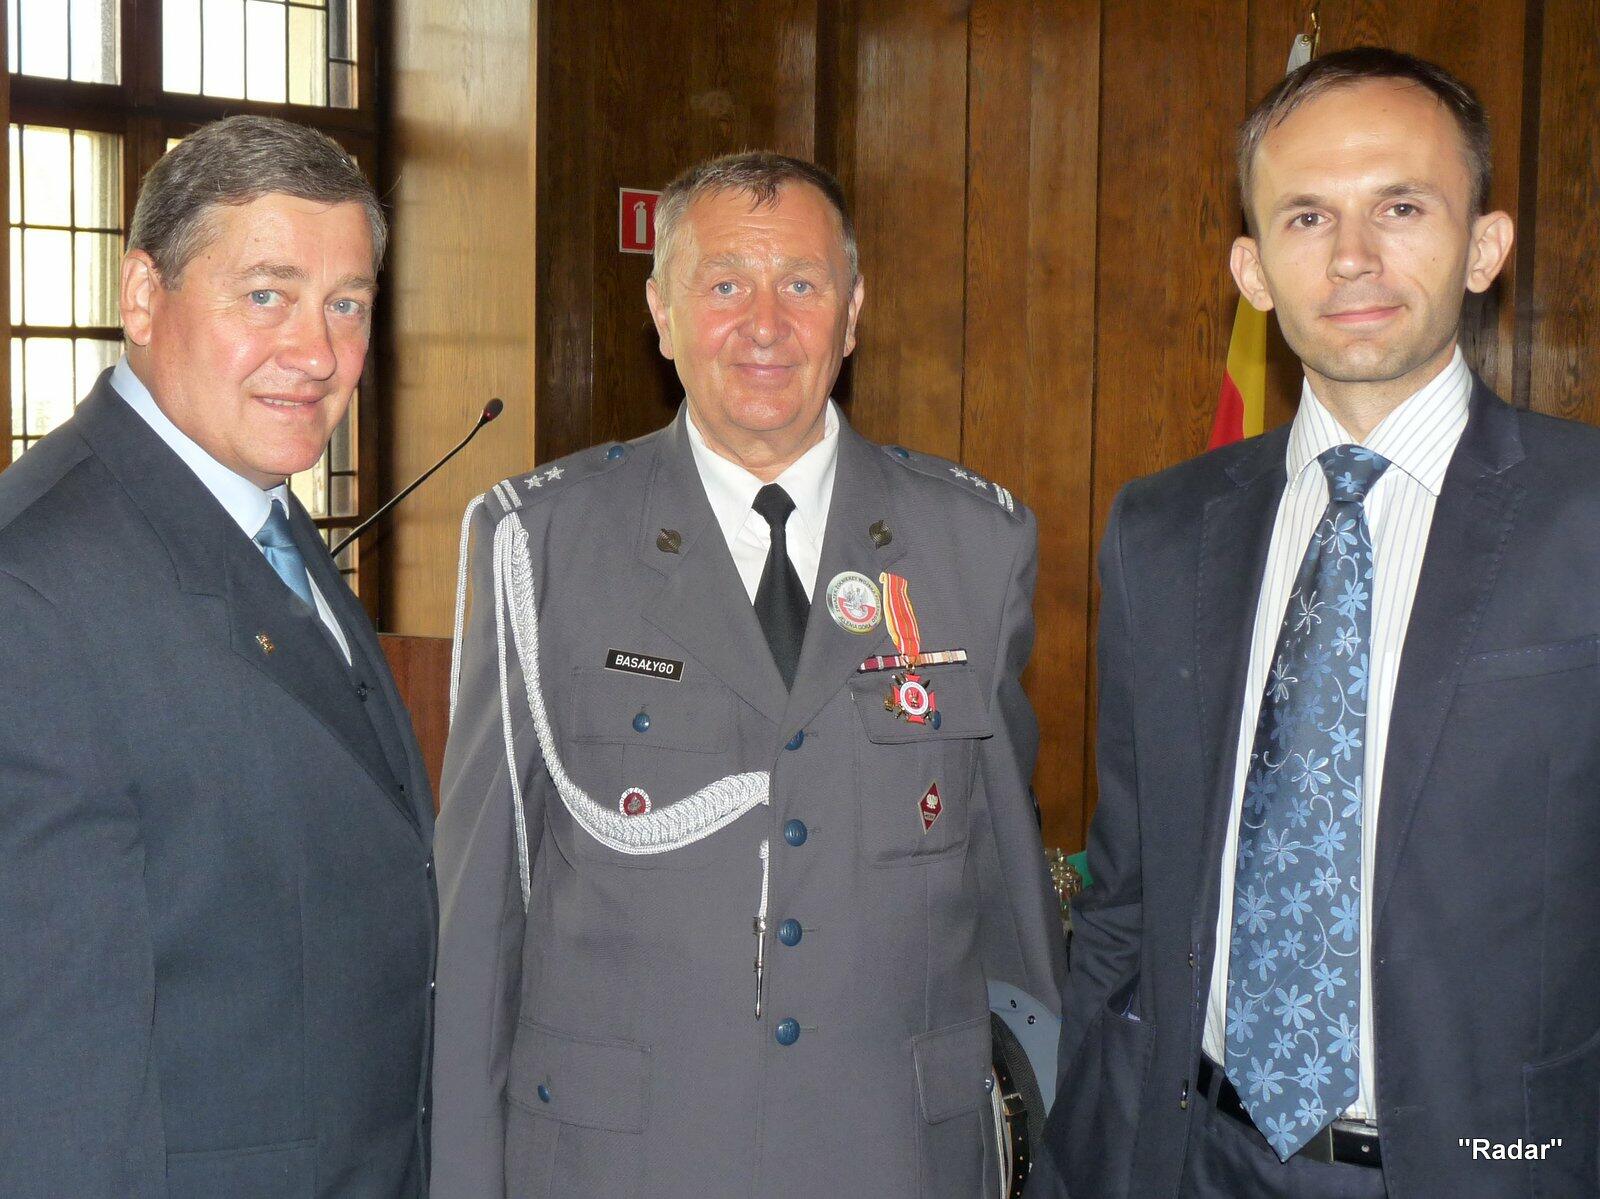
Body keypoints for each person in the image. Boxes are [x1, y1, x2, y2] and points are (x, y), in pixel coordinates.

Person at [430, 151, 1065, 1198]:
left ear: (851, 313)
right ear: (661, 313)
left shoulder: (972, 543)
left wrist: (1050, 1134)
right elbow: (480, 914)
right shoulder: (540, 541)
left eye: (801, 284)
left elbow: (1009, 898)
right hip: (621, 1160)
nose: (764, 325)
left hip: (891, 1155)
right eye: (724, 284)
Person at [1036, 46, 1600, 1199]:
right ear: (1251, 269)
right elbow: (1127, 897)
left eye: (1401, 206)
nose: (1350, 255)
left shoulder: (1583, 512)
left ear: (1484, 246)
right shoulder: (1161, 527)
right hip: (1197, 1154)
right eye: (1305, 216)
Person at [0, 116, 436, 1197]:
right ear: (143, 296)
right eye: (265, 295)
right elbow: (52, 1080)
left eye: (347, 304)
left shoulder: (262, 513)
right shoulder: (33, 587)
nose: (318, 353)